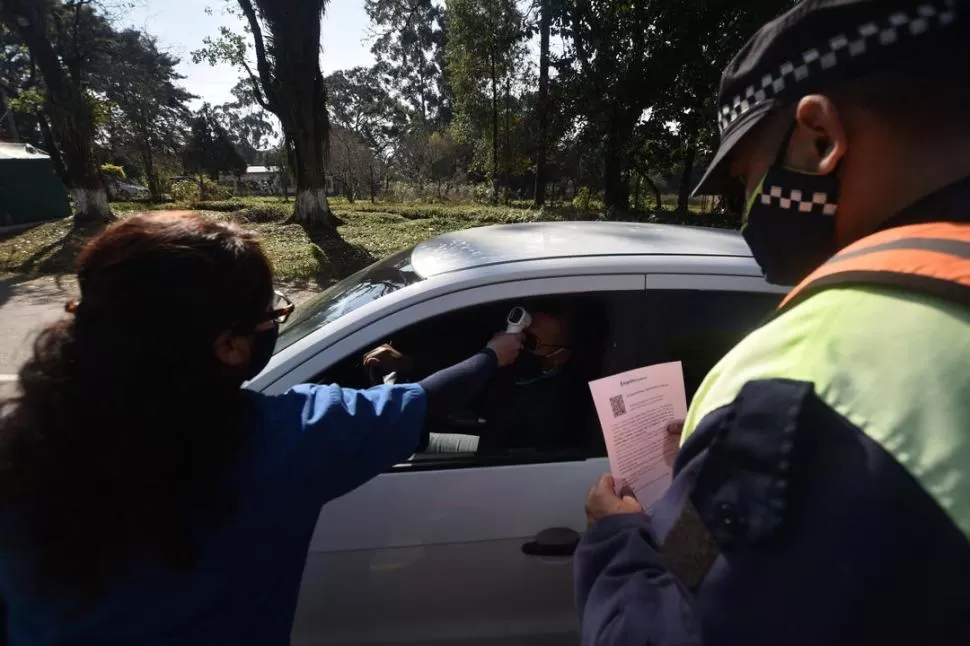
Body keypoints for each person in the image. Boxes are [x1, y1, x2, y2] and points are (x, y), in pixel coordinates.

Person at [575, 1, 970, 645]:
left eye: (746, 177)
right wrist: (700, 490)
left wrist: (616, 540)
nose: (745, 210)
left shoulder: (800, 379)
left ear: (819, 139)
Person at [0, 212, 522, 645]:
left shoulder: (23, 443)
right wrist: (495, 354)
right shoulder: (285, 442)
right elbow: (426, 404)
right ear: (228, 345)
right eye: (270, 314)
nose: (275, 323)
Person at [364, 301, 590, 455]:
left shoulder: (552, 407)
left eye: (530, 341)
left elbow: (503, 460)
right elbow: (462, 369)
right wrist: (406, 364)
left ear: (560, 355)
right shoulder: (517, 368)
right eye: (518, 332)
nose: (517, 342)